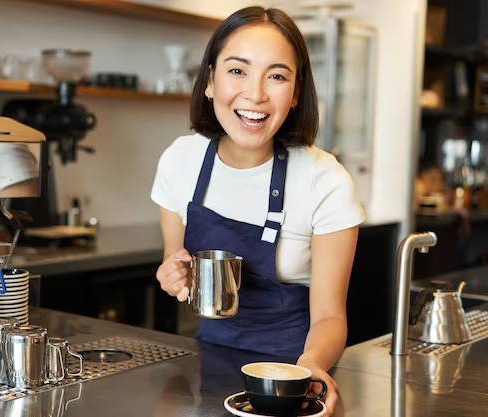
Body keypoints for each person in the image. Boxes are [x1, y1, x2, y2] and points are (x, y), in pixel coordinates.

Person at [150, 6, 365, 414]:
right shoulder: (180, 160)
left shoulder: (324, 180)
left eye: (278, 76)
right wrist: (173, 275)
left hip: (293, 375)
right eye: (237, 71)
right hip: (208, 363)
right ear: (210, 80)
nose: (256, 94)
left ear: (296, 92)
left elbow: (330, 317)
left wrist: (312, 365)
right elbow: (175, 265)